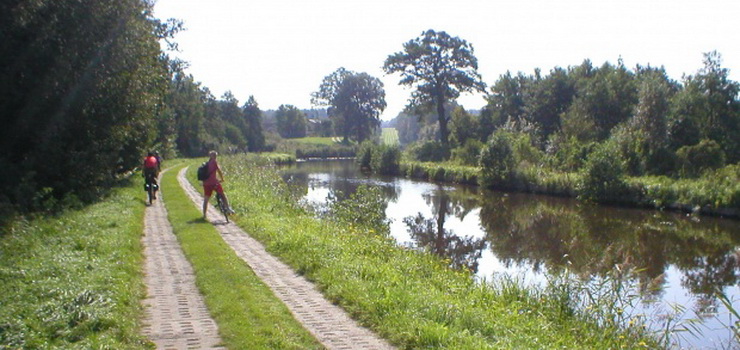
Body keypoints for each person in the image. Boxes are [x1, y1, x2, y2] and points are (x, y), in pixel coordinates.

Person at [201, 150, 235, 219]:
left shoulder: (206, 164)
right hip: (214, 183)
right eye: (215, 156)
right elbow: (219, 171)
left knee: (206, 199)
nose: (216, 157)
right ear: (214, 156)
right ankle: (228, 208)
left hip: (206, 184)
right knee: (222, 194)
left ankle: (204, 215)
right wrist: (222, 179)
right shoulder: (214, 162)